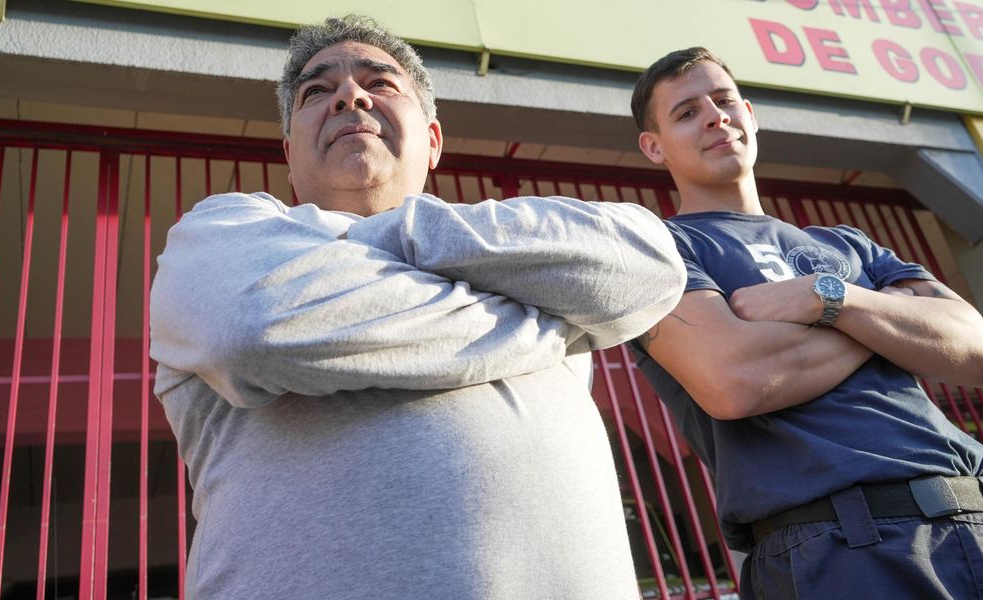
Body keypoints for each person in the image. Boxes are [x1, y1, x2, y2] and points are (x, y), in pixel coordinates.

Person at [148, 16, 686, 599]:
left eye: (380, 84)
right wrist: (547, 324)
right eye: (316, 91)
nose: (349, 96)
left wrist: (401, 229)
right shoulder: (225, 231)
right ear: (289, 152)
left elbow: (651, 264)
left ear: (432, 140)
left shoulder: (498, 241)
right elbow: (253, 327)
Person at [627, 46, 983, 599]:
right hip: (839, 547)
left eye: (724, 101)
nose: (715, 116)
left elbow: (977, 352)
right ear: (654, 146)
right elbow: (737, 380)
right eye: (686, 112)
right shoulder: (658, 248)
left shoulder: (848, 244)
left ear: (749, 113)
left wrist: (835, 299)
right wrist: (890, 325)